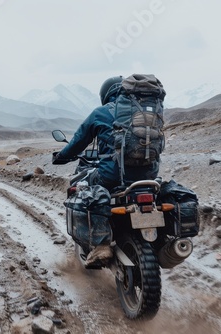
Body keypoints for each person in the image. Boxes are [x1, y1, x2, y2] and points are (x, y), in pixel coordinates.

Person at [52, 75, 160, 266]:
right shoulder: (147, 113)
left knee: (84, 187)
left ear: (106, 94)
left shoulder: (100, 113)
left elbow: (78, 142)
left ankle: (101, 245)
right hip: (149, 174)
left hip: (112, 176)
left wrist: (61, 156)